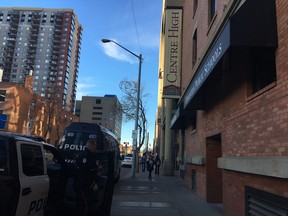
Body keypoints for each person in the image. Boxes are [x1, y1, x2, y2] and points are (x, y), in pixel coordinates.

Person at [74, 139, 100, 216]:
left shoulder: (89, 155)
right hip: (83, 186)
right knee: (84, 206)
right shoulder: (85, 156)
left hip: (85, 185)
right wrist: (92, 184)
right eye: (95, 146)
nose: (96, 148)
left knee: (85, 205)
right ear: (92, 145)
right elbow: (83, 173)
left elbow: (90, 170)